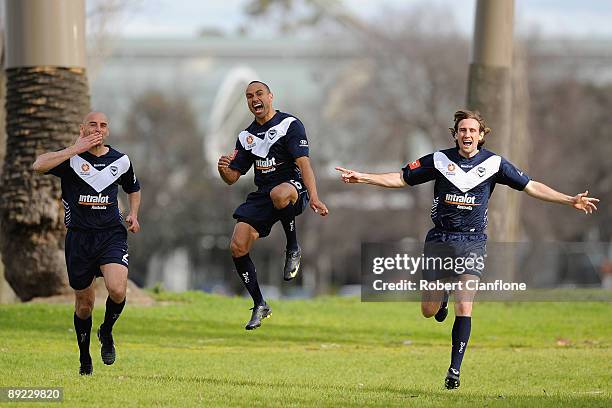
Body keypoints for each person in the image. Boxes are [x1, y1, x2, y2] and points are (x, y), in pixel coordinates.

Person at [335, 109, 599, 389]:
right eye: (463, 130)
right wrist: (362, 177)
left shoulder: (495, 164)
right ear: (456, 134)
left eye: (473, 131)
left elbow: (531, 186)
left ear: (481, 135)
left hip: (472, 241)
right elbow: (401, 178)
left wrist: (569, 199)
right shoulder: (439, 160)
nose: (467, 135)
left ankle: (454, 370)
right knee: (428, 309)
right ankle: (442, 296)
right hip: (440, 239)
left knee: (466, 305)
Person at [32, 111, 141, 375]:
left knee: (117, 290)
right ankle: (84, 358)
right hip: (79, 238)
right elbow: (38, 164)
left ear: (108, 130)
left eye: (103, 125)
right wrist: (74, 148)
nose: (98, 128)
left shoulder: (121, 160)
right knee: (84, 305)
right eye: (93, 124)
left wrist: (134, 214)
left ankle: (106, 331)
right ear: (83, 128)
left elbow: (133, 188)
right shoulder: (70, 159)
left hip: (111, 235)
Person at [218, 81, 328, 330]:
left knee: (280, 193)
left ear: (270, 96)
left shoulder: (289, 124)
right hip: (263, 194)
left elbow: (304, 164)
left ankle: (292, 248)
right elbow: (233, 177)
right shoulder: (245, 136)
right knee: (237, 245)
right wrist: (223, 169)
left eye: (258, 94)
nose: (254, 99)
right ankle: (260, 304)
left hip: (292, 188)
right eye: (248, 96)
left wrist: (315, 197)